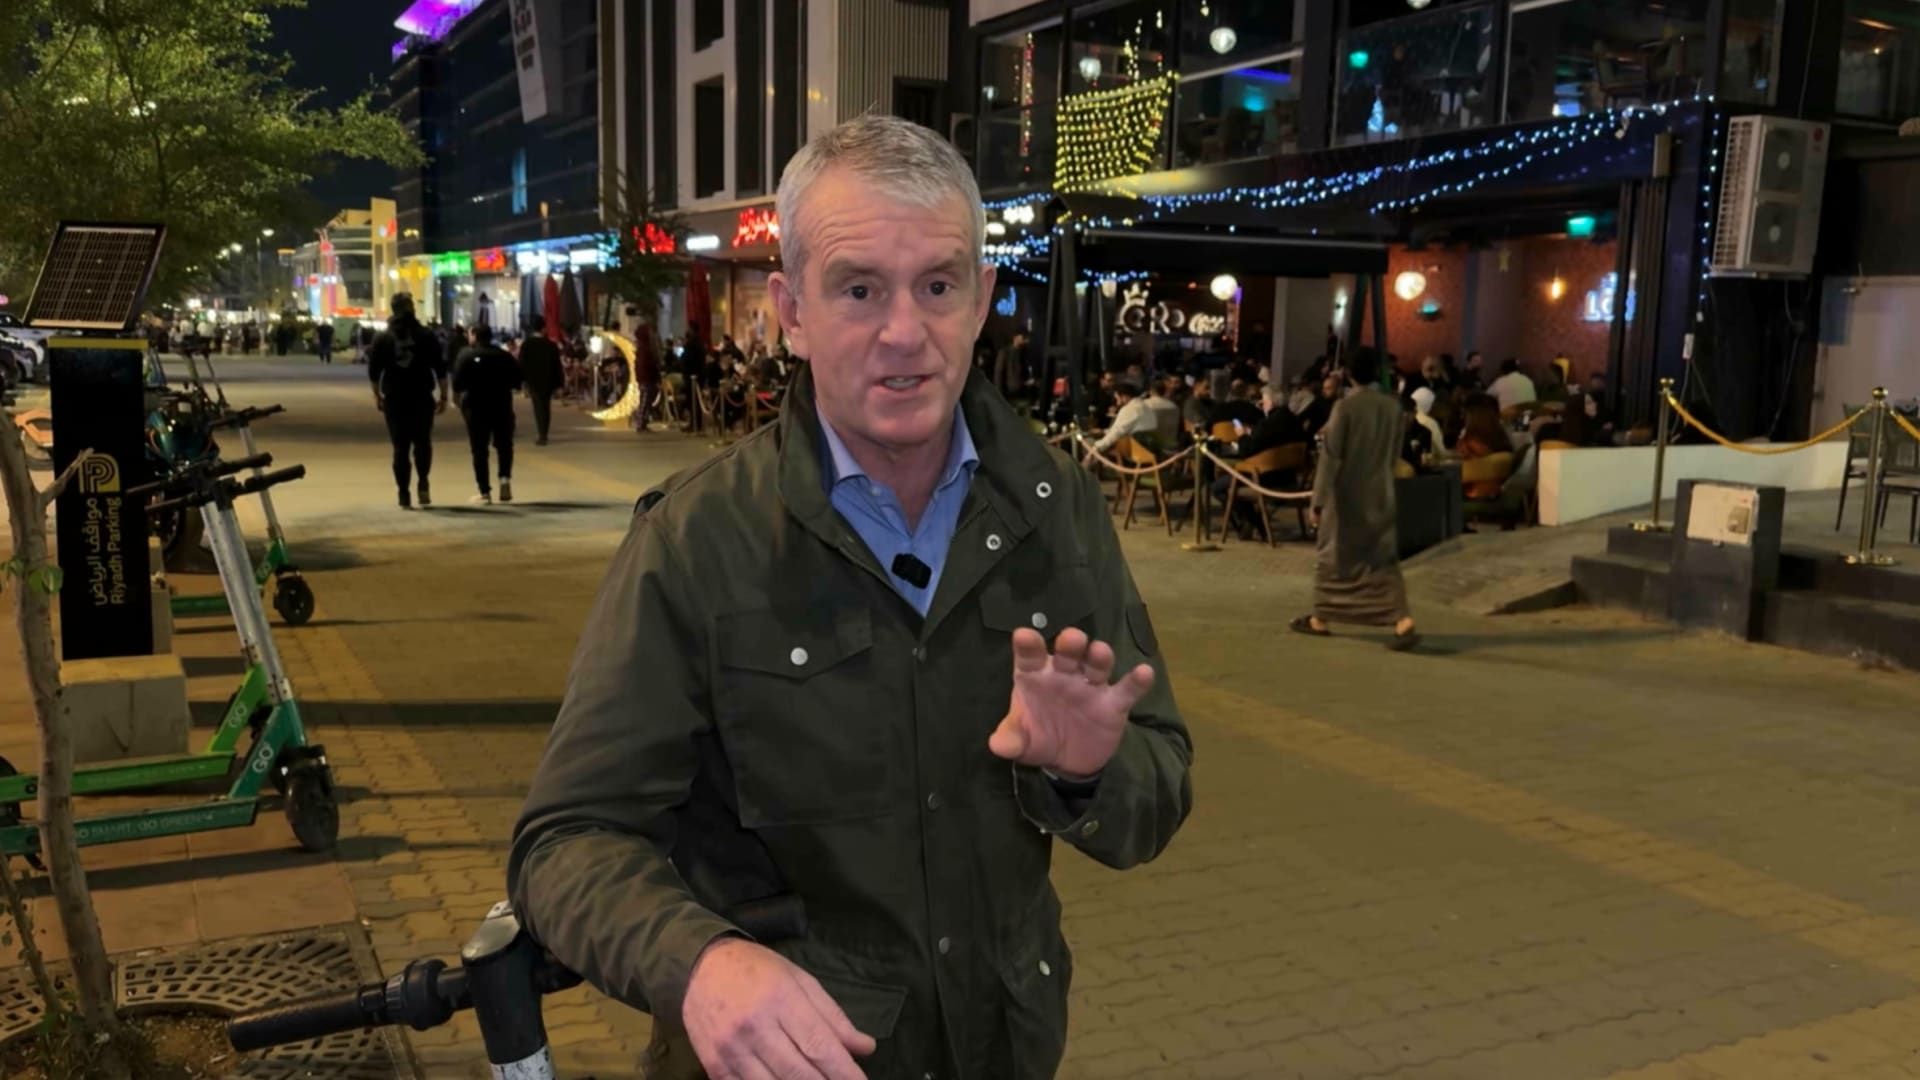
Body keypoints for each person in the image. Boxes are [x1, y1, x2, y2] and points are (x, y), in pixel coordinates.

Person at [508, 114, 1192, 1080]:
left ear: (982, 298)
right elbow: (564, 842)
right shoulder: (696, 540)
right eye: (859, 289)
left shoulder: (1056, 507)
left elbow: (1158, 788)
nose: (904, 332)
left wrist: (1088, 775)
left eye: (938, 286)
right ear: (791, 312)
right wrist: (697, 963)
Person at [1294, 348, 1420, 650]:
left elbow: (1331, 458)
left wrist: (1318, 500)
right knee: (1381, 561)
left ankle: (1321, 616)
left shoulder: (1345, 407)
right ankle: (1401, 619)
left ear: (1349, 374)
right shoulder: (1393, 408)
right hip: (1381, 491)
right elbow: (1395, 452)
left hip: (1347, 494)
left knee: (1334, 557)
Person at [367, 293, 449, 510]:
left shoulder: (383, 337)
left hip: (395, 398)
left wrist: (377, 395)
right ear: (411, 308)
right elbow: (440, 368)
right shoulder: (426, 335)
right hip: (421, 396)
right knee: (423, 442)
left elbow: (374, 371)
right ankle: (423, 482)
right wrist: (443, 395)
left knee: (400, 447)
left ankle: (404, 492)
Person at [453, 324, 522, 504]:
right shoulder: (504, 356)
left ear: (475, 336)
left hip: (475, 407)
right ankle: (505, 479)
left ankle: (484, 491)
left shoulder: (466, 356)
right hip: (502, 405)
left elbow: (457, 383)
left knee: (479, 449)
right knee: (504, 445)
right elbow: (517, 381)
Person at [519, 316, 564, 445]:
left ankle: (542, 434)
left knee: (538, 406)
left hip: (533, 380)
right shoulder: (551, 345)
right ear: (544, 328)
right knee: (545, 406)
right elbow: (557, 366)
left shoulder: (526, 345)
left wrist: (522, 381)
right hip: (548, 380)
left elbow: (522, 364)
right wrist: (559, 383)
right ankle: (544, 433)